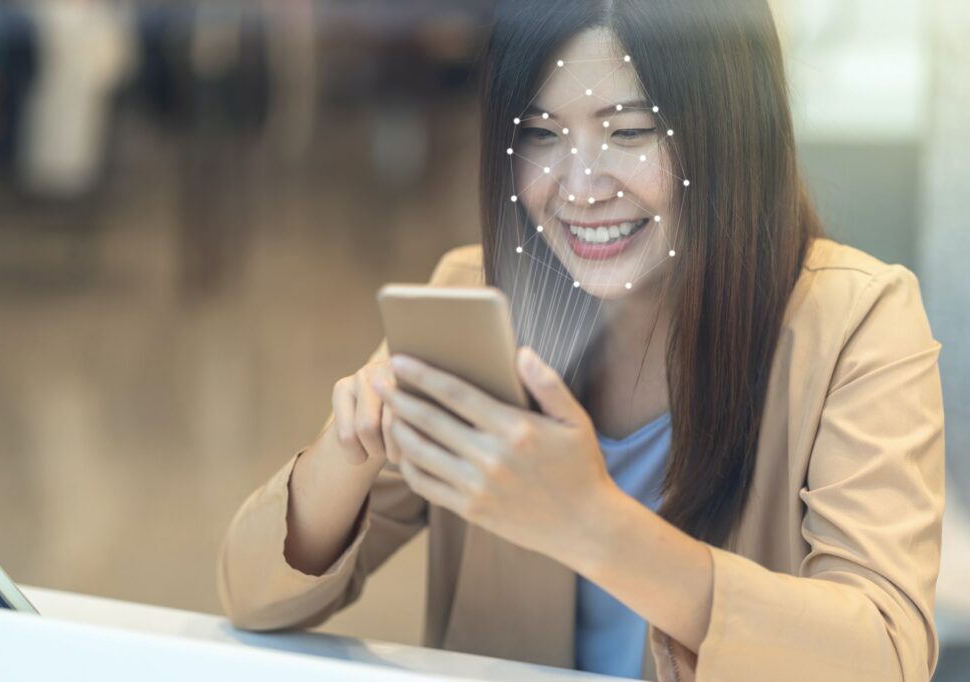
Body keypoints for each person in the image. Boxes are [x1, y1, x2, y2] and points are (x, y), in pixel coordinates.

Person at [217, 1, 944, 680]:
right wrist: (344, 456)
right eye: (539, 135)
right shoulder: (476, 296)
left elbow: (883, 653)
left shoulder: (859, 323)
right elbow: (255, 602)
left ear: (733, 130)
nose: (579, 186)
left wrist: (593, 524)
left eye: (628, 131)